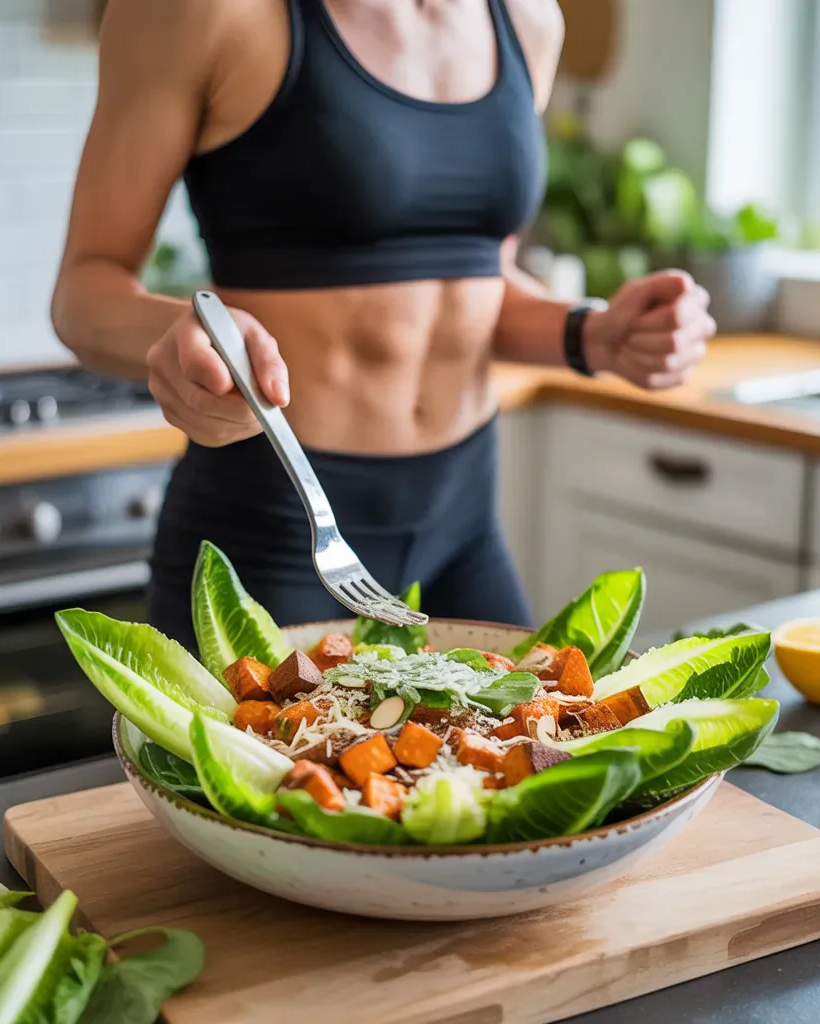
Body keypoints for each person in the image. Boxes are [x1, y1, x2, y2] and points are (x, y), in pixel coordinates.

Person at [52, 0, 715, 650]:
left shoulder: (526, 19)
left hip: (465, 531)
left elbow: (470, 285)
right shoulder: (200, 11)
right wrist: (177, 338)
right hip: (275, 540)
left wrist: (593, 335)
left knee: (540, 750)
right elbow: (84, 292)